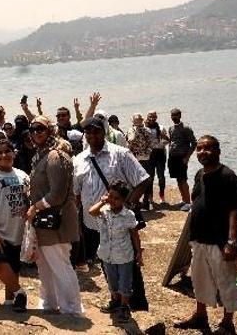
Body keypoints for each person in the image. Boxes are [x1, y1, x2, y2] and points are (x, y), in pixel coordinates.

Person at [174, 135, 237, 335]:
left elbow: (235, 210)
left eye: (207, 148)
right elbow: (196, 200)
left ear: (218, 151)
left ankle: (227, 323)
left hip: (220, 240)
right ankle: (200, 315)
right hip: (199, 238)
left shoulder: (227, 176)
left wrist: (232, 241)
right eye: (199, 149)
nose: (202, 152)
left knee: (226, 281)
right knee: (199, 279)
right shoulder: (199, 174)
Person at [24, 116, 83, 315]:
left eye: (40, 129)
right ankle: (49, 303)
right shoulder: (42, 154)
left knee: (60, 265)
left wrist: (35, 207)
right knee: (45, 265)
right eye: (32, 129)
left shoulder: (55, 156)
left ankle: (72, 309)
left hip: (57, 221)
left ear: (50, 130)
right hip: (44, 222)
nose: (35, 133)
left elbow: (57, 194)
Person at [72, 117, 149, 265]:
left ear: (105, 132)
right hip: (92, 225)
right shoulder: (79, 160)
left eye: (97, 131)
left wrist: (128, 205)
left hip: (119, 225)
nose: (92, 135)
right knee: (107, 267)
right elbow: (76, 194)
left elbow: (143, 180)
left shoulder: (121, 154)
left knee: (129, 269)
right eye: (88, 132)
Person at [0, 139, 30, 311]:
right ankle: (21, 293)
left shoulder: (23, 176)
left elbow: (28, 200)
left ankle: (11, 301)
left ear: (13, 153)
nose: (4, 155)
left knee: (13, 267)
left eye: (7, 151)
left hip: (17, 230)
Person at [88, 181, 140, 323]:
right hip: (107, 254)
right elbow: (91, 211)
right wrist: (102, 201)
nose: (112, 200)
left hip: (123, 255)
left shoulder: (128, 215)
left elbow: (135, 234)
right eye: (110, 196)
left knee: (125, 282)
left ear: (123, 200)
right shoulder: (104, 211)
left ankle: (124, 306)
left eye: (116, 198)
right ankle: (115, 301)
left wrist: (138, 253)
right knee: (112, 280)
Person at [168, 108, 196, 211]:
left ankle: (188, 202)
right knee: (178, 179)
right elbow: (172, 141)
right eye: (172, 115)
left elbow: (194, 143)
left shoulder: (186, 128)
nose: (174, 117)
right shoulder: (171, 128)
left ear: (180, 116)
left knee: (183, 179)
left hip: (182, 158)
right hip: (172, 158)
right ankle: (184, 200)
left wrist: (187, 158)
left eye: (176, 115)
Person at [126, 114, 154, 210]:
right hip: (134, 159)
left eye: (139, 119)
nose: (137, 121)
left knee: (146, 180)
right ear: (133, 121)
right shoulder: (130, 130)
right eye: (136, 119)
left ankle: (146, 201)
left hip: (144, 159)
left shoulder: (146, 130)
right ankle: (136, 202)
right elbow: (129, 141)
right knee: (135, 181)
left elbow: (151, 144)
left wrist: (147, 154)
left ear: (142, 120)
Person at [145, 111, 169, 204]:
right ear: (147, 117)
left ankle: (162, 196)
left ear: (156, 117)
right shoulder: (144, 128)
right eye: (150, 116)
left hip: (160, 154)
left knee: (161, 177)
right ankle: (150, 197)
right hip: (149, 155)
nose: (152, 118)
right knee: (150, 177)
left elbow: (168, 140)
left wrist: (160, 142)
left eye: (154, 117)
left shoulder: (161, 127)